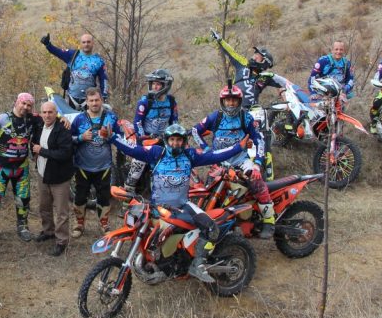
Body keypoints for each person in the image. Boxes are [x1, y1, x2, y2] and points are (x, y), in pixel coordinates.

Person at [113, 124, 251, 282]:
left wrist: (238, 147)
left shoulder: (190, 155)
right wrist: (112, 138)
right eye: (172, 139)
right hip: (159, 206)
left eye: (178, 140)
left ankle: (198, 263)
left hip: (183, 205)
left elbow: (215, 155)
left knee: (211, 228)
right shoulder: (156, 153)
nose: (175, 143)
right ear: (166, 140)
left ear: (184, 141)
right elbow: (132, 149)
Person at [193, 84, 276, 238]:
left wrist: (257, 164)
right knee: (209, 190)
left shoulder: (246, 117)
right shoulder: (215, 117)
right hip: (219, 162)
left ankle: (269, 220)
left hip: (241, 161)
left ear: (239, 101)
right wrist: (206, 149)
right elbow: (195, 130)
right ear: (222, 101)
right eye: (227, 100)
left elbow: (259, 139)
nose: (231, 103)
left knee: (256, 181)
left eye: (234, 100)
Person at [0, 92, 43, 244]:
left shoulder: (33, 119)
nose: (25, 107)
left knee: (23, 198)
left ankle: (23, 227)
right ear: (16, 102)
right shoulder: (4, 118)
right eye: (23, 103)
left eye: (29, 105)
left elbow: (52, 116)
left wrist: (63, 119)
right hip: (1, 167)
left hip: (21, 167)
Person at [70, 87, 121, 237]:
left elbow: (121, 137)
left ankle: (104, 224)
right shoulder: (79, 119)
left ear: (102, 100)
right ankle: (79, 224)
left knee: (104, 196)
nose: (94, 103)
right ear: (86, 102)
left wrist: (111, 136)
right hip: (82, 166)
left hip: (104, 166)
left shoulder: (111, 117)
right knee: (80, 196)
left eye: (97, 100)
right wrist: (81, 137)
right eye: (91, 100)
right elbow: (68, 139)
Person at [32, 100, 75, 256]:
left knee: (61, 211)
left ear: (56, 113)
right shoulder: (38, 125)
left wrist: (41, 151)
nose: (47, 115)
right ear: (40, 113)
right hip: (42, 173)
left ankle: (62, 241)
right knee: (44, 206)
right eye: (44, 112)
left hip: (60, 177)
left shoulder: (63, 129)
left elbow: (65, 154)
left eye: (50, 112)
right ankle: (48, 231)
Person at [126, 68, 179, 191]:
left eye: (158, 84)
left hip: (164, 138)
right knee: (138, 163)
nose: (154, 86)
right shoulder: (145, 101)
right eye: (153, 83)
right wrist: (143, 137)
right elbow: (138, 122)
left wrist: (175, 135)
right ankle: (128, 191)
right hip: (146, 137)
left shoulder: (171, 101)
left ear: (166, 85)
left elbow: (174, 121)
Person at [210, 30, 282, 109]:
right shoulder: (243, 63)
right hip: (234, 107)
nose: (254, 57)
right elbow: (231, 52)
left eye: (258, 56)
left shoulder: (265, 77)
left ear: (265, 63)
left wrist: (283, 92)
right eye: (255, 54)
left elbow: (283, 84)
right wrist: (220, 40)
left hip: (253, 111)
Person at [40, 32, 108, 107]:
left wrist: (104, 97)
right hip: (71, 98)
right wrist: (48, 44)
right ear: (80, 43)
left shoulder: (99, 61)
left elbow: (104, 80)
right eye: (84, 42)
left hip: (90, 100)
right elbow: (58, 52)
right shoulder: (72, 54)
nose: (86, 44)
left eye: (88, 42)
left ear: (93, 43)